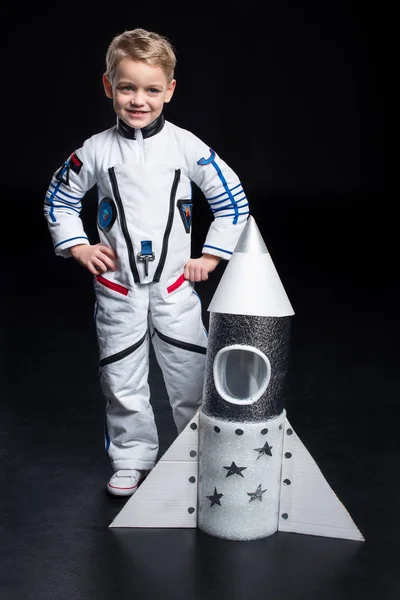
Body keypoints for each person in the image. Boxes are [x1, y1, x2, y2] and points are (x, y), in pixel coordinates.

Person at [44, 28, 250, 496]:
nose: (139, 100)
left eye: (152, 89)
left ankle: (198, 455)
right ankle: (132, 456)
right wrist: (78, 246)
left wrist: (211, 256)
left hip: (175, 286)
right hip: (118, 288)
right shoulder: (94, 150)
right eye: (127, 88)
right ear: (108, 87)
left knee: (192, 371)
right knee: (121, 373)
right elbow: (59, 198)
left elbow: (231, 197)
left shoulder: (186, 146)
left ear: (170, 91)